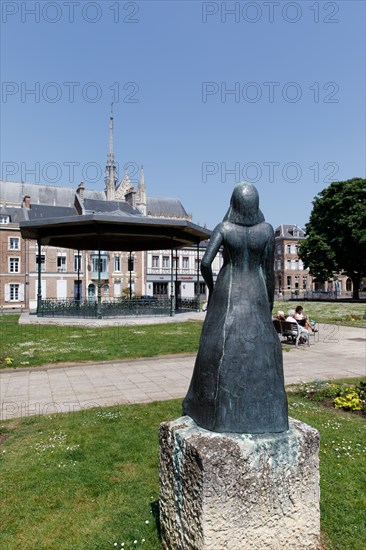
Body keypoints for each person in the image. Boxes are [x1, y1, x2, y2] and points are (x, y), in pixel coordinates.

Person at [182, 183, 288, 434]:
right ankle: (266, 410)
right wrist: (269, 303)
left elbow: (206, 263)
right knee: (262, 346)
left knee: (217, 343)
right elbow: (269, 274)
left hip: (228, 289)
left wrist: (212, 288)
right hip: (256, 290)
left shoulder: (225, 228)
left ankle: (208, 408)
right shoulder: (267, 231)